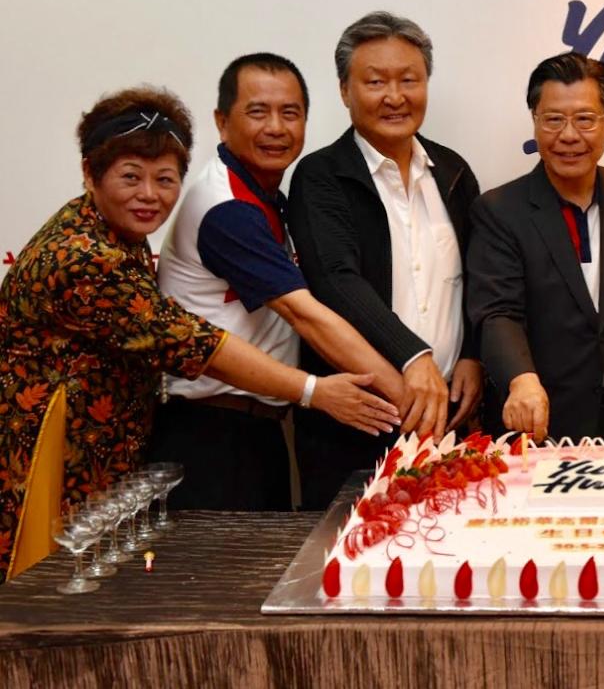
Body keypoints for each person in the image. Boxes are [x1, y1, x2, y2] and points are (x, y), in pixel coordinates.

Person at [0, 87, 396, 582]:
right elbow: (196, 345)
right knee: (49, 600)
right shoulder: (84, 257)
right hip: (53, 463)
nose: (150, 194)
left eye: (165, 179)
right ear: (89, 173)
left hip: (110, 461)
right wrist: (316, 391)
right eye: (130, 177)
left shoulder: (114, 232)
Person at [151, 53, 407, 511]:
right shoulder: (228, 208)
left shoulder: (268, 196)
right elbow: (304, 314)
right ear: (222, 122)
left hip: (256, 429)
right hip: (212, 437)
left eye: (290, 113)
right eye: (258, 112)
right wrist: (406, 397)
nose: (275, 127)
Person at [288, 11, 483, 509]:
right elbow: (336, 280)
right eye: (375, 82)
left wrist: (472, 354)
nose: (395, 96)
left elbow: (479, 276)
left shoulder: (453, 172)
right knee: (350, 551)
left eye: (409, 80)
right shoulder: (321, 176)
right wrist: (413, 355)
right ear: (344, 91)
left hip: (446, 422)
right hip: (355, 423)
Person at [467, 53, 604, 442]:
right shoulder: (499, 210)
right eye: (554, 119)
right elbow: (497, 311)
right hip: (537, 419)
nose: (569, 136)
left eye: (585, 119)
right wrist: (521, 380)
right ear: (535, 120)